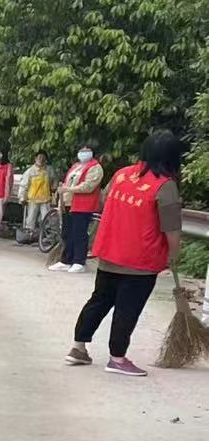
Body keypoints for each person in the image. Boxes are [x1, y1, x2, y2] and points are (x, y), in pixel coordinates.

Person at [66, 130, 183, 377]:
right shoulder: (165, 185)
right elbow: (171, 228)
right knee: (127, 309)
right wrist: (174, 254)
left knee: (99, 301)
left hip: (109, 252)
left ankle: (78, 347)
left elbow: (105, 201)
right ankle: (117, 358)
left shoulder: (121, 175)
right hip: (140, 260)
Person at [52, 144, 104, 274]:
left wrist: (68, 189)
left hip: (83, 205)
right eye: (82, 150)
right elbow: (65, 184)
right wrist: (61, 201)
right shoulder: (75, 166)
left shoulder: (95, 168)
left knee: (79, 233)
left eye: (87, 150)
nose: (83, 153)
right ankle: (66, 260)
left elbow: (88, 186)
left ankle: (79, 261)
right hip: (68, 203)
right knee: (67, 233)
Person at [20, 152, 53, 243]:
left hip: (45, 199)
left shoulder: (49, 170)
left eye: (43, 157)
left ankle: (46, 238)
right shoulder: (30, 171)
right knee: (31, 219)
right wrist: (22, 197)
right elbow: (24, 185)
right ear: (35, 159)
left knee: (46, 219)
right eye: (39, 157)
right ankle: (29, 237)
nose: (41, 159)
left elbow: (54, 182)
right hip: (33, 199)